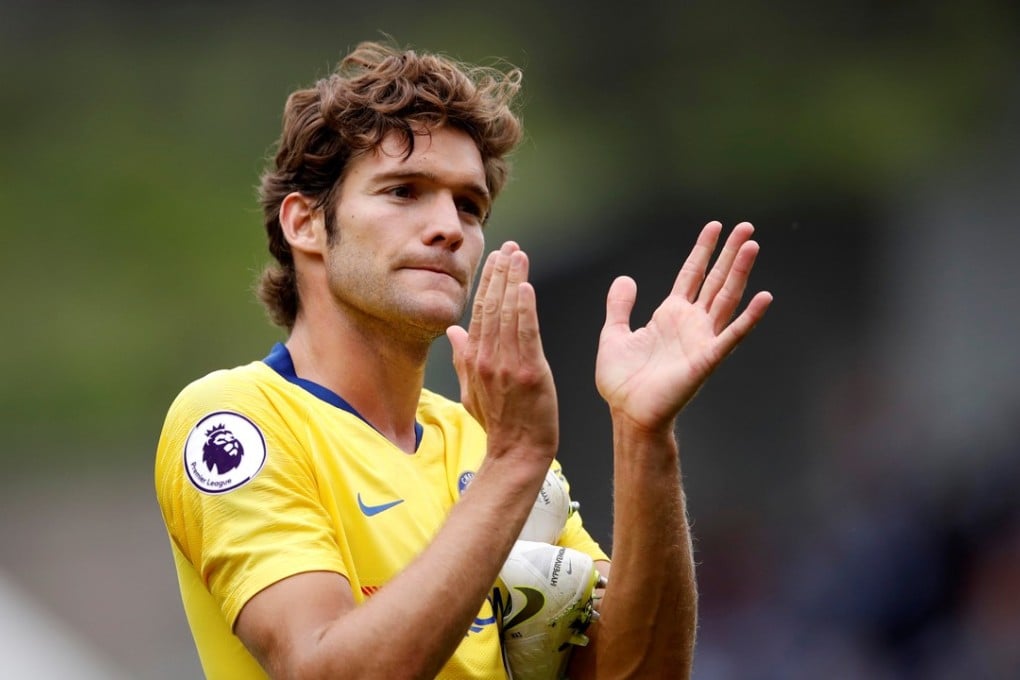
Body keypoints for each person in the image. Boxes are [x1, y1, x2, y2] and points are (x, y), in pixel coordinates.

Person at [154, 38, 772, 680]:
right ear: (305, 223)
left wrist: (644, 438)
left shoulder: (483, 439)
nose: (449, 226)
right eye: (403, 191)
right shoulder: (235, 418)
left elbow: (643, 675)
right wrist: (513, 466)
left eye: (469, 205)